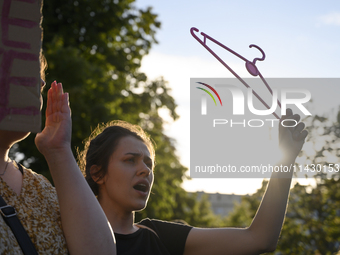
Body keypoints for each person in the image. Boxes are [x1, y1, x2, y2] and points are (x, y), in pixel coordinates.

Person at [79, 109, 307, 255]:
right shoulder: (68, 232)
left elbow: (260, 239)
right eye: (130, 160)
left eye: (149, 164)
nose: (144, 170)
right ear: (98, 174)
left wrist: (285, 158)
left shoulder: (161, 237)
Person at [0, 61, 116, 254]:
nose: (40, 82)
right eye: (22, 70)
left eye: (39, 79)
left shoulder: (41, 188)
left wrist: (59, 151)